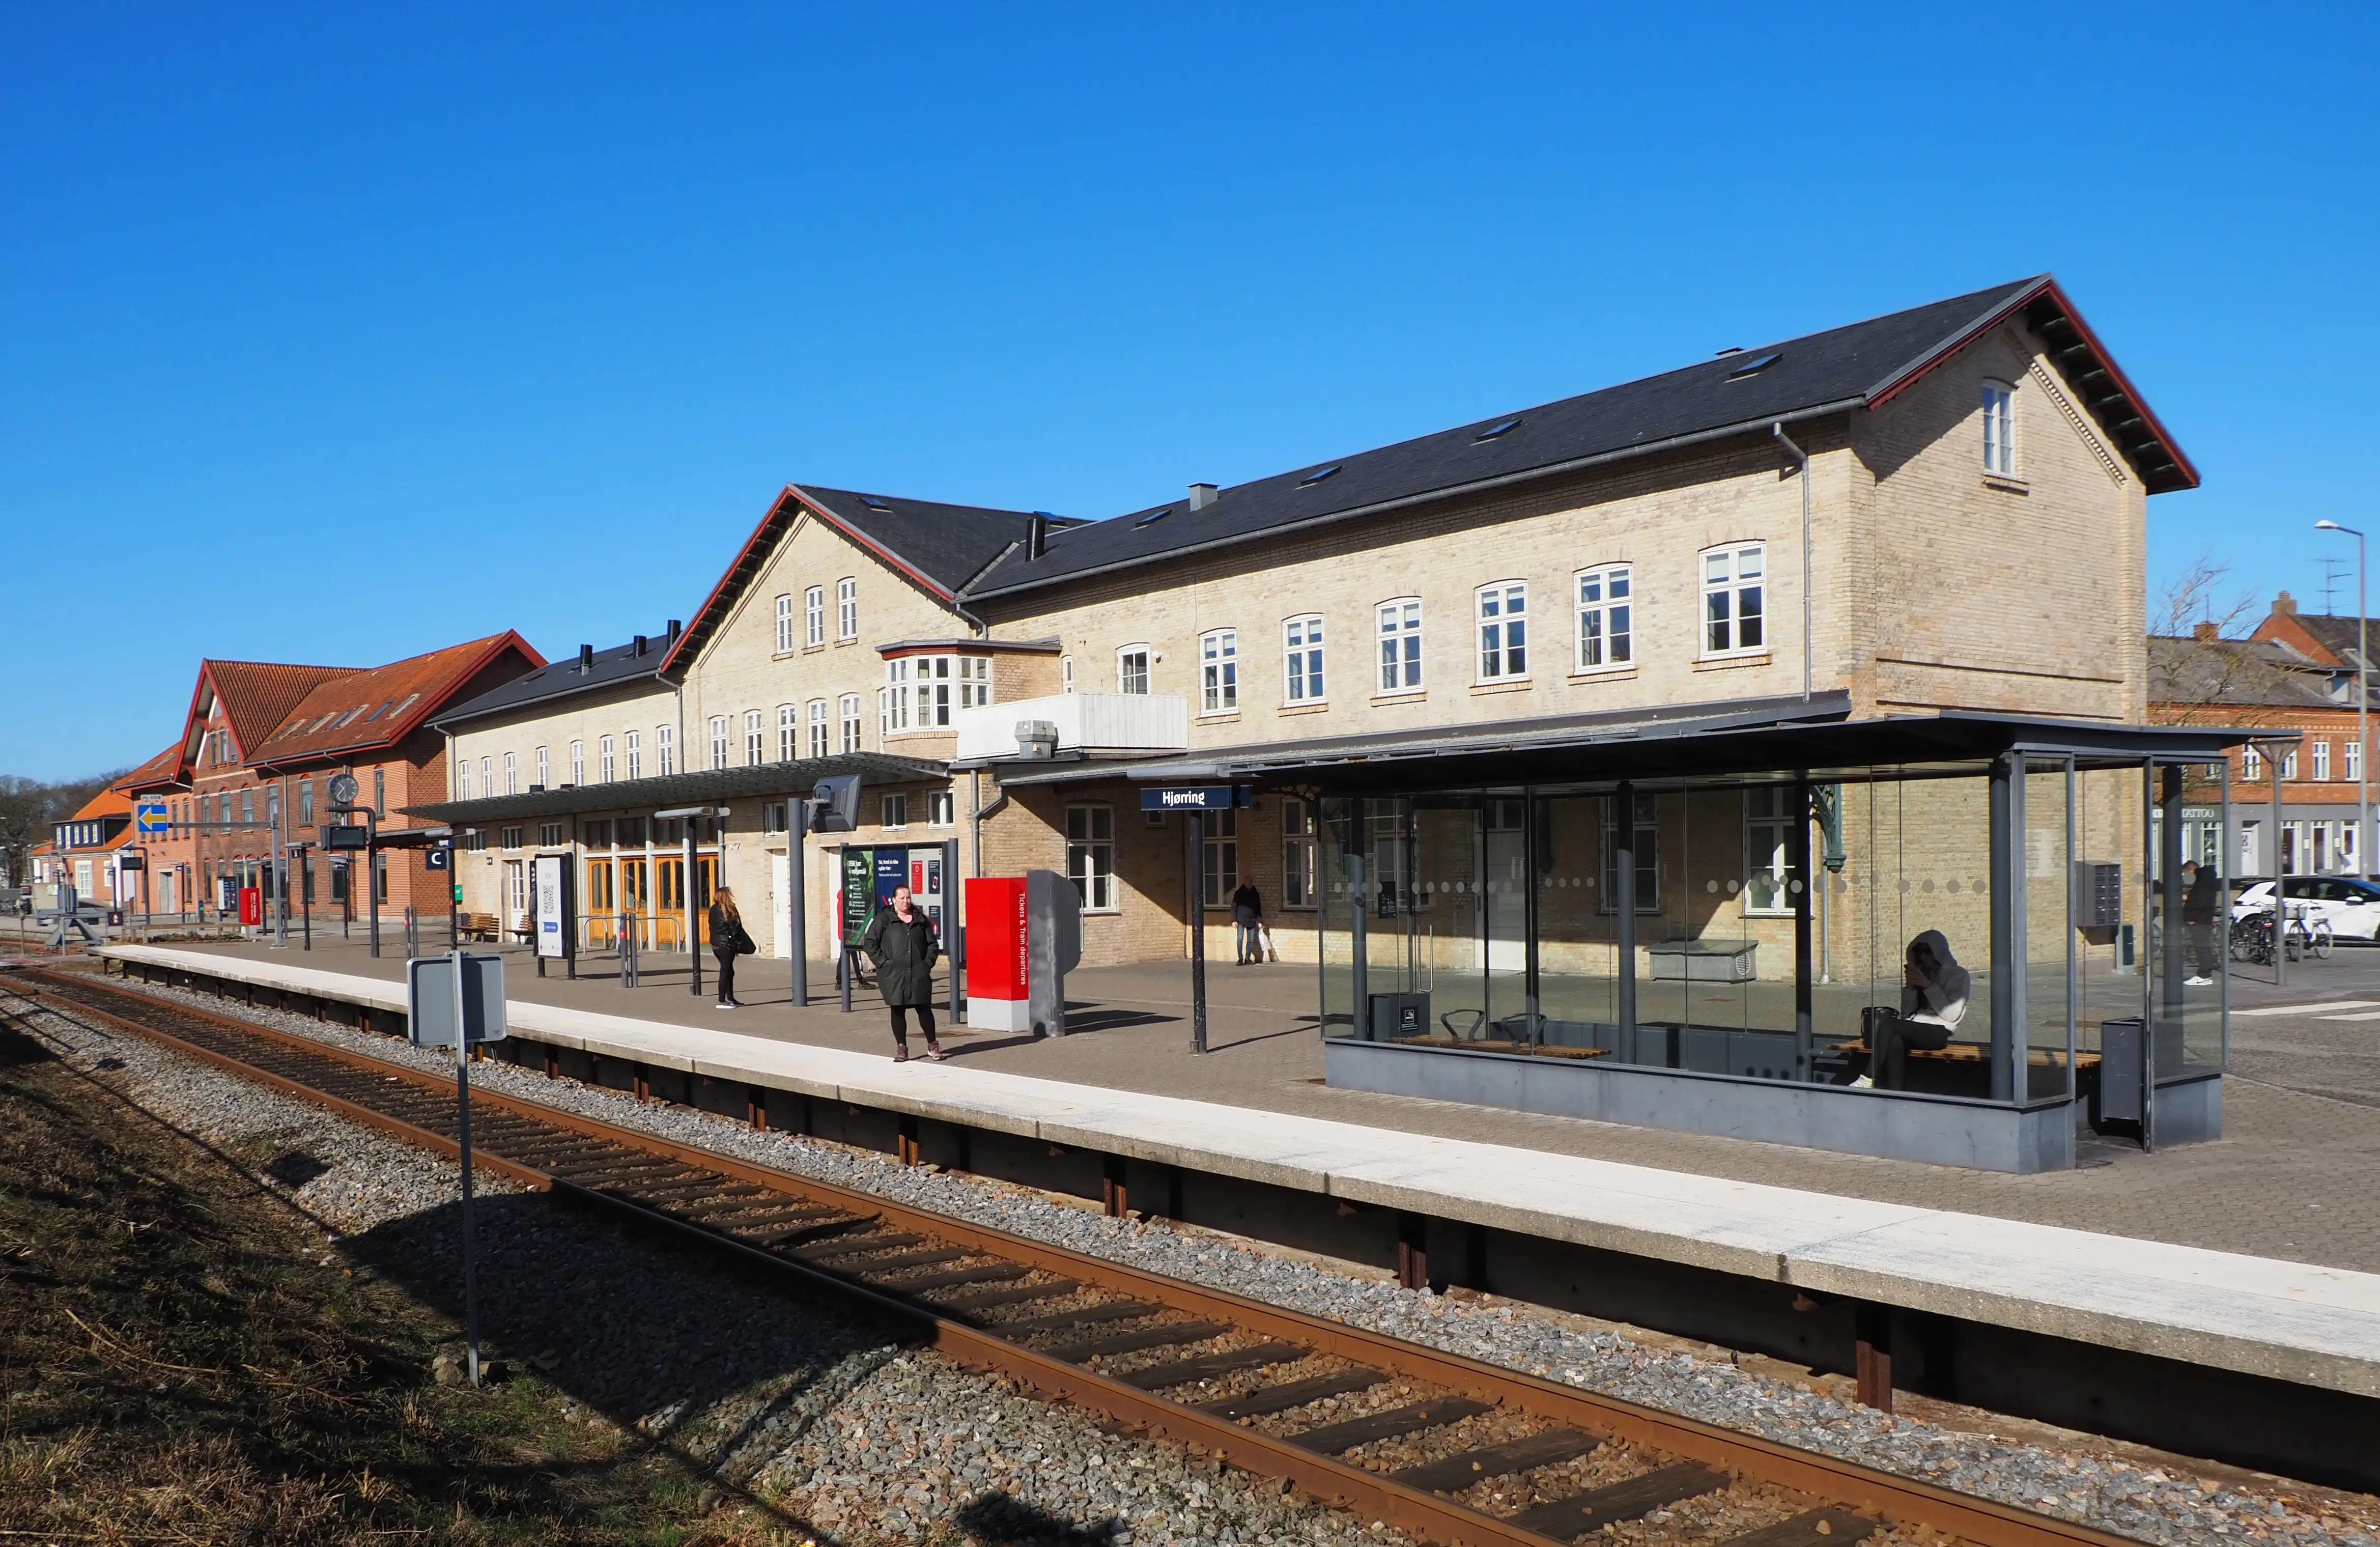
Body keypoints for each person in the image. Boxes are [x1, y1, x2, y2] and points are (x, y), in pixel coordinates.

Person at [1852, 930, 1970, 1090]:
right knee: (1895, 1041)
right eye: (1918, 952)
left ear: (1939, 951)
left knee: (1889, 1025)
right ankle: (1896, 1093)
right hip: (1916, 1028)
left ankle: (1868, 1077)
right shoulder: (1926, 974)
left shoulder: (1959, 975)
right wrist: (1911, 987)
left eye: (1927, 951)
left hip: (1939, 1032)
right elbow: (1908, 1014)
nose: (1923, 957)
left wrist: (1928, 986)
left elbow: (1951, 1015)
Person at [861, 883, 944, 1062]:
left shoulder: (920, 920)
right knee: (897, 1009)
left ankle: (933, 1045)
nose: (906, 902)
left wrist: (927, 963)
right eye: (902, 898)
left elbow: (932, 944)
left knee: (924, 1008)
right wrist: (884, 963)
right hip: (893, 975)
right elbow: (870, 944)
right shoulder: (884, 919)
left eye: (908, 898)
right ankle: (902, 1048)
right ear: (894, 900)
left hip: (918, 973)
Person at [708, 885, 754, 1009]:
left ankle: (731, 998)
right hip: (726, 946)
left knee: (729, 971)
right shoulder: (727, 910)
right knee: (725, 971)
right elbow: (735, 929)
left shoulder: (713, 909)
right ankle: (722, 1001)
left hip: (716, 944)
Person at [2180, 860, 2220, 987]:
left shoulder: (2202, 883)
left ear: (2191, 870)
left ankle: (2204, 975)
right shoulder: (2207, 880)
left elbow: (2200, 902)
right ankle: (2204, 974)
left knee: (2202, 948)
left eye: (2185, 873)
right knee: (2203, 948)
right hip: (2204, 919)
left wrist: (2192, 918)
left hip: (2199, 921)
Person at [1231, 879, 1264, 965]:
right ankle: (1240, 959)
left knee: (1251, 940)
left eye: (1251, 883)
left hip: (1252, 919)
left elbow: (1258, 908)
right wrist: (1234, 920)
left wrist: (1260, 920)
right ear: (1244, 883)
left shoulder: (1255, 894)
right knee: (1240, 940)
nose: (1250, 884)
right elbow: (1234, 907)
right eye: (1248, 883)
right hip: (1241, 920)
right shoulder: (1239, 893)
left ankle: (1248, 958)